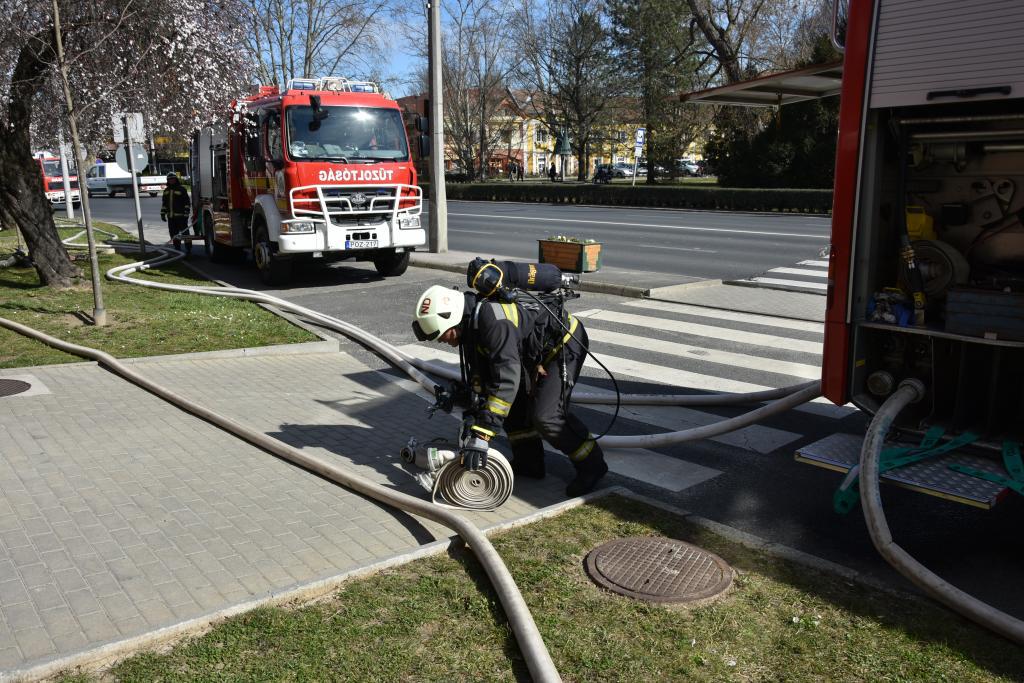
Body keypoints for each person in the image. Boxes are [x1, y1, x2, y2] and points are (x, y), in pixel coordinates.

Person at [412, 284, 609, 497]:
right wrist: (474, 411)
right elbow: (485, 378)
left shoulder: (493, 324)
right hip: (528, 352)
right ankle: (529, 463)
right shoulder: (470, 325)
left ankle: (593, 466)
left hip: (563, 344)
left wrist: (483, 435)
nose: (441, 340)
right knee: (513, 407)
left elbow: (506, 380)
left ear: (453, 321)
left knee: (546, 416)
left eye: (441, 335)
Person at [160, 173, 191, 253]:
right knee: (173, 234)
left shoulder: (181, 189)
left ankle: (188, 248)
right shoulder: (166, 191)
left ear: (176, 179)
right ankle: (177, 249)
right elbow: (164, 203)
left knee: (185, 233)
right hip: (171, 217)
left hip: (181, 217)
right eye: (169, 179)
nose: (171, 180)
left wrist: (186, 212)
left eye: (173, 179)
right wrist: (163, 213)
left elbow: (187, 202)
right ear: (168, 180)